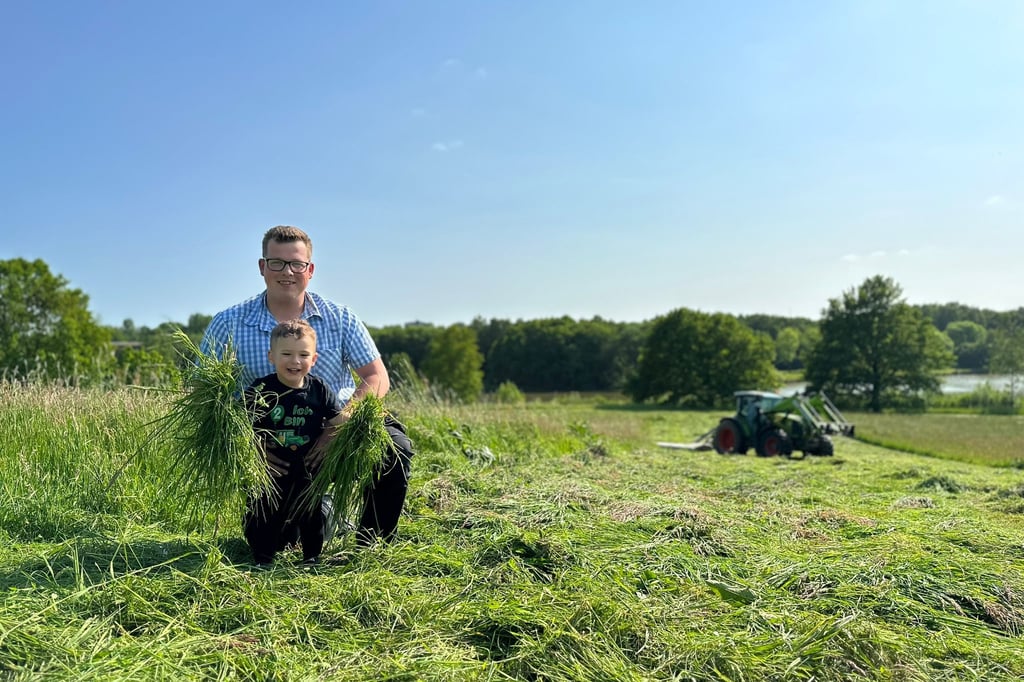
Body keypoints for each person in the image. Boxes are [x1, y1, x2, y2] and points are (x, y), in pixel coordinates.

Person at [200, 224, 414, 553]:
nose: (287, 272)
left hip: (335, 422)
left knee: (394, 447)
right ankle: (320, 513)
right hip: (271, 441)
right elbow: (205, 395)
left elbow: (377, 376)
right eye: (277, 262)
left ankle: (371, 544)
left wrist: (340, 424)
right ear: (262, 267)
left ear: (309, 270)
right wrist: (250, 446)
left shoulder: (340, 318)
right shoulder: (229, 323)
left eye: (296, 264)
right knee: (278, 542)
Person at [244, 319, 345, 566]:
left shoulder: (319, 389)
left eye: (303, 354)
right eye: (286, 354)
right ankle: (263, 559)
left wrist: (356, 420)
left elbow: (337, 420)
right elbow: (243, 426)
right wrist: (256, 450)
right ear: (271, 356)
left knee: (310, 512)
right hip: (270, 469)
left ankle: (311, 557)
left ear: (314, 359)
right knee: (264, 511)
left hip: (308, 467)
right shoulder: (262, 389)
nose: (295, 361)